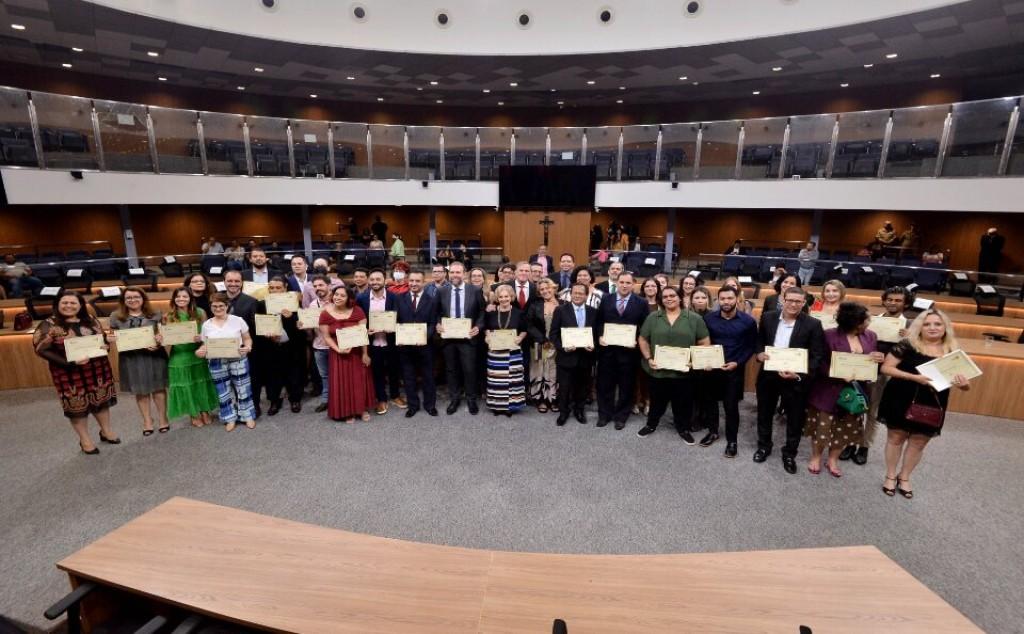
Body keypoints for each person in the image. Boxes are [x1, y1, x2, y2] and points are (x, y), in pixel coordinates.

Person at [877, 309, 971, 498]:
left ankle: (904, 477)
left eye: (937, 324)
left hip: (932, 401)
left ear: (945, 327)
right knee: (896, 438)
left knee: (919, 441)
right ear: (919, 327)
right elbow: (886, 368)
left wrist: (963, 384)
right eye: (927, 324)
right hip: (900, 395)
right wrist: (913, 377)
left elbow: (965, 385)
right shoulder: (907, 344)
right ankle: (890, 475)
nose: (932, 327)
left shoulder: (952, 351)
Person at [33, 290, 119, 454]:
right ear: (57, 304)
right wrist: (69, 362)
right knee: (77, 407)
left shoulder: (90, 319)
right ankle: (85, 440)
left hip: (97, 369)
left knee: (101, 401)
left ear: (80, 305)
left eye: (73, 303)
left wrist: (106, 344)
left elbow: (100, 340)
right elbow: (41, 349)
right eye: (64, 302)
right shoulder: (49, 325)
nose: (69, 306)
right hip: (68, 373)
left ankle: (106, 431)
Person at [804, 302, 884, 477]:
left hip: (856, 390)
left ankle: (833, 459)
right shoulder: (828, 335)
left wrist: (878, 358)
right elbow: (819, 362)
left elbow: (871, 362)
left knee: (846, 427)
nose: (869, 322)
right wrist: (838, 374)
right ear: (854, 321)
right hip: (828, 388)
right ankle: (816, 457)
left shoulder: (871, 336)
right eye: (866, 319)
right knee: (822, 426)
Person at [753, 287, 826, 474]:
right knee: (764, 413)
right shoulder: (768, 317)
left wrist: (800, 374)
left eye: (798, 301)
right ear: (783, 300)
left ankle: (789, 454)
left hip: (796, 379)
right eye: (790, 300)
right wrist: (759, 354)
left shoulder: (813, 324)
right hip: (769, 375)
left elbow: (817, 356)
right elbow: (760, 340)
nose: (793, 304)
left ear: (804, 303)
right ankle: (764, 446)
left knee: (795, 418)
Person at [843, 286, 910, 465]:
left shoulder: (909, 326)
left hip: (883, 376)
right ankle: (850, 442)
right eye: (890, 299)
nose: (893, 303)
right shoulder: (870, 321)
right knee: (854, 407)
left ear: (905, 304)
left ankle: (864, 446)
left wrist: (910, 339)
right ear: (884, 301)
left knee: (872, 413)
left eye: (898, 300)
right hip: (862, 370)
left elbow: (912, 355)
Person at [636, 286, 711, 441]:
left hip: (684, 373)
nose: (669, 299)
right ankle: (651, 424)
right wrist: (649, 358)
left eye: (672, 295)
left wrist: (694, 361)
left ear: (680, 298)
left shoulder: (694, 318)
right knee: (656, 401)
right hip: (658, 371)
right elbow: (642, 339)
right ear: (661, 300)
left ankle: (683, 429)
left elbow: (704, 342)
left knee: (683, 403)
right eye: (665, 297)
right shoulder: (653, 317)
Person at [702, 286, 758, 456]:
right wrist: (704, 360)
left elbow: (751, 346)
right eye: (723, 299)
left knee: (731, 406)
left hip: (734, 370)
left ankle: (732, 440)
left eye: (729, 298)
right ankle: (713, 431)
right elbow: (703, 342)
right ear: (718, 300)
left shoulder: (748, 322)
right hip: (712, 369)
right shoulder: (708, 319)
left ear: (736, 299)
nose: (726, 302)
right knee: (710, 403)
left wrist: (738, 362)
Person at [108, 287, 169, 435]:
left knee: (158, 388)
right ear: (123, 300)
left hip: (154, 356)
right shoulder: (115, 316)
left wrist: (159, 341)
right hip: (131, 358)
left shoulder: (156, 314)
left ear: (143, 299)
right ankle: (147, 420)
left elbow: (164, 335)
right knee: (140, 390)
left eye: (136, 297)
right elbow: (112, 334)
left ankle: (163, 418)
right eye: (128, 298)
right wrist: (110, 338)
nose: (133, 300)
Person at [596, 272, 649, 429]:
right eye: (622, 282)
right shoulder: (606, 299)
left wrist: (636, 340)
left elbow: (645, 326)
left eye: (628, 283)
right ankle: (604, 414)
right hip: (607, 351)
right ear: (617, 283)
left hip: (629, 353)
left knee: (627, 386)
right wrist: (600, 336)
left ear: (633, 285)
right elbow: (599, 321)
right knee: (605, 384)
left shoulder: (641, 302)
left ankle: (621, 416)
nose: (624, 285)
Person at [196, 292, 255, 431]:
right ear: (210, 307)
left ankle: (247, 416)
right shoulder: (206, 325)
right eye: (214, 306)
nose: (218, 309)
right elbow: (205, 345)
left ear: (227, 306)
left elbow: (247, 338)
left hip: (238, 358)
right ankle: (229, 418)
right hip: (216, 361)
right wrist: (200, 350)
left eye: (221, 305)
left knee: (243, 388)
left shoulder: (238, 320)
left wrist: (248, 347)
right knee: (223, 391)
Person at [319, 285, 376, 423]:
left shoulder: (358, 311)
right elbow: (326, 337)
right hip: (338, 354)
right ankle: (347, 411)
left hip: (356, 353)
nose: (338, 297)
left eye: (342, 295)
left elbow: (363, 334)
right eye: (336, 294)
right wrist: (338, 350)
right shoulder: (325, 314)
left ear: (349, 298)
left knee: (359, 382)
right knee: (342, 384)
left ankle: (361, 409)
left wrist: (365, 354)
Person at [163, 287, 218, 427]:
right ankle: (193, 414)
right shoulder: (168, 316)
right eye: (178, 296)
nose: (181, 299)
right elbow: (167, 340)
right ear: (174, 299)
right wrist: (162, 338)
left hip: (197, 352)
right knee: (187, 386)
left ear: (190, 298)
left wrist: (201, 337)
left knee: (201, 383)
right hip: (179, 355)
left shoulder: (200, 312)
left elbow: (208, 332)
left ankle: (205, 411)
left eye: (185, 296)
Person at [437, 261, 486, 415]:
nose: (455, 275)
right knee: (451, 370)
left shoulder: (475, 290)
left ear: (464, 274)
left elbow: (482, 312)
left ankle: (471, 399)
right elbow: (437, 312)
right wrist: (438, 324)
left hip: (468, 338)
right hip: (448, 338)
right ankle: (455, 399)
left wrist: (478, 326)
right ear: (448, 274)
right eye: (452, 272)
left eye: (458, 272)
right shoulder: (442, 291)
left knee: (469, 369)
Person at [357, 269, 406, 415]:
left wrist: (394, 328)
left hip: (391, 341)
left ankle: (395, 395)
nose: (375, 282)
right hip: (372, 343)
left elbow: (401, 318)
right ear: (368, 281)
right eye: (372, 279)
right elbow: (358, 320)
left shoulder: (394, 297)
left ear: (385, 280)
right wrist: (365, 330)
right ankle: (381, 399)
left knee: (394, 370)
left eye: (378, 279)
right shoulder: (361, 298)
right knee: (376, 372)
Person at [550, 283, 599, 425]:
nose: (577, 296)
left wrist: (593, 346)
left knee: (582, 387)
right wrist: (563, 347)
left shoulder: (593, 312)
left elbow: (597, 334)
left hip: (585, 357)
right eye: (575, 293)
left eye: (581, 293)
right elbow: (553, 334)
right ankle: (563, 412)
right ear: (571, 294)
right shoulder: (560, 310)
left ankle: (579, 410)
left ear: (586, 295)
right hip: (566, 357)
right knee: (564, 387)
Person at [260, 277, 306, 414]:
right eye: (272, 288)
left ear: (285, 287)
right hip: (271, 345)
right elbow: (258, 324)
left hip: (292, 346)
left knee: (294, 373)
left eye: (278, 287)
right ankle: (274, 401)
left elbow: (302, 326)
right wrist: (267, 334)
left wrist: (291, 317)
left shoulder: (294, 303)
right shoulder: (262, 304)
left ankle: (295, 399)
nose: (275, 290)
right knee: (272, 375)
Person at [396, 269, 439, 418]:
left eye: (417, 281)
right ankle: (413, 406)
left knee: (428, 376)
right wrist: (399, 336)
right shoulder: (399, 298)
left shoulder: (432, 300)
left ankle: (430, 405)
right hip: (405, 346)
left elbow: (433, 323)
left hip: (425, 346)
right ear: (408, 281)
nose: (414, 283)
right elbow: (396, 320)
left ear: (423, 282)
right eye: (411, 280)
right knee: (408, 377)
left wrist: (425, 337)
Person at [483, 285, 529, 416]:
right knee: (496, 380)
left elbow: (524, 330)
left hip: (512, 352)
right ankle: (497, 405)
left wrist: (520, 338)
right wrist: (487, 336)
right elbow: (486, 327)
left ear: (511, 297)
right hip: (495, 353)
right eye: (501, 297)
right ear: (497, 298)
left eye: (506, 296)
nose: (504, 299)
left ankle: (511, 406)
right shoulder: (491, 312)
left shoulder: (519, 313)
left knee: (512, 380)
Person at [525, 278, 561, 413]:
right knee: (539, 371)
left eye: (548, 288)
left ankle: (553, 399)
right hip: (539, 344)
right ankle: (540, 400)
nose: (545, 291)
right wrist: (542, 339)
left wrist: (556, 341)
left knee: (554, 371)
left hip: (557, 345)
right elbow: (529, 324)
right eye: (542, 289)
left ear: (553, 288)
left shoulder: (563, 303)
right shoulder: (535, 305)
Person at [303, 275, 334, 414]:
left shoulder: (336, 301)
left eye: (321, 285)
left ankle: (339, 399)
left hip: (335, 346)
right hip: (319, 346)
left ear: (329, 285)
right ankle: (326, 400)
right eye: (315, 286)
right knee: (324, 376)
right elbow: (310, 327)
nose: (317, 288)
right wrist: (304, 325)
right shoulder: (312, 305)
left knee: (338, 374)